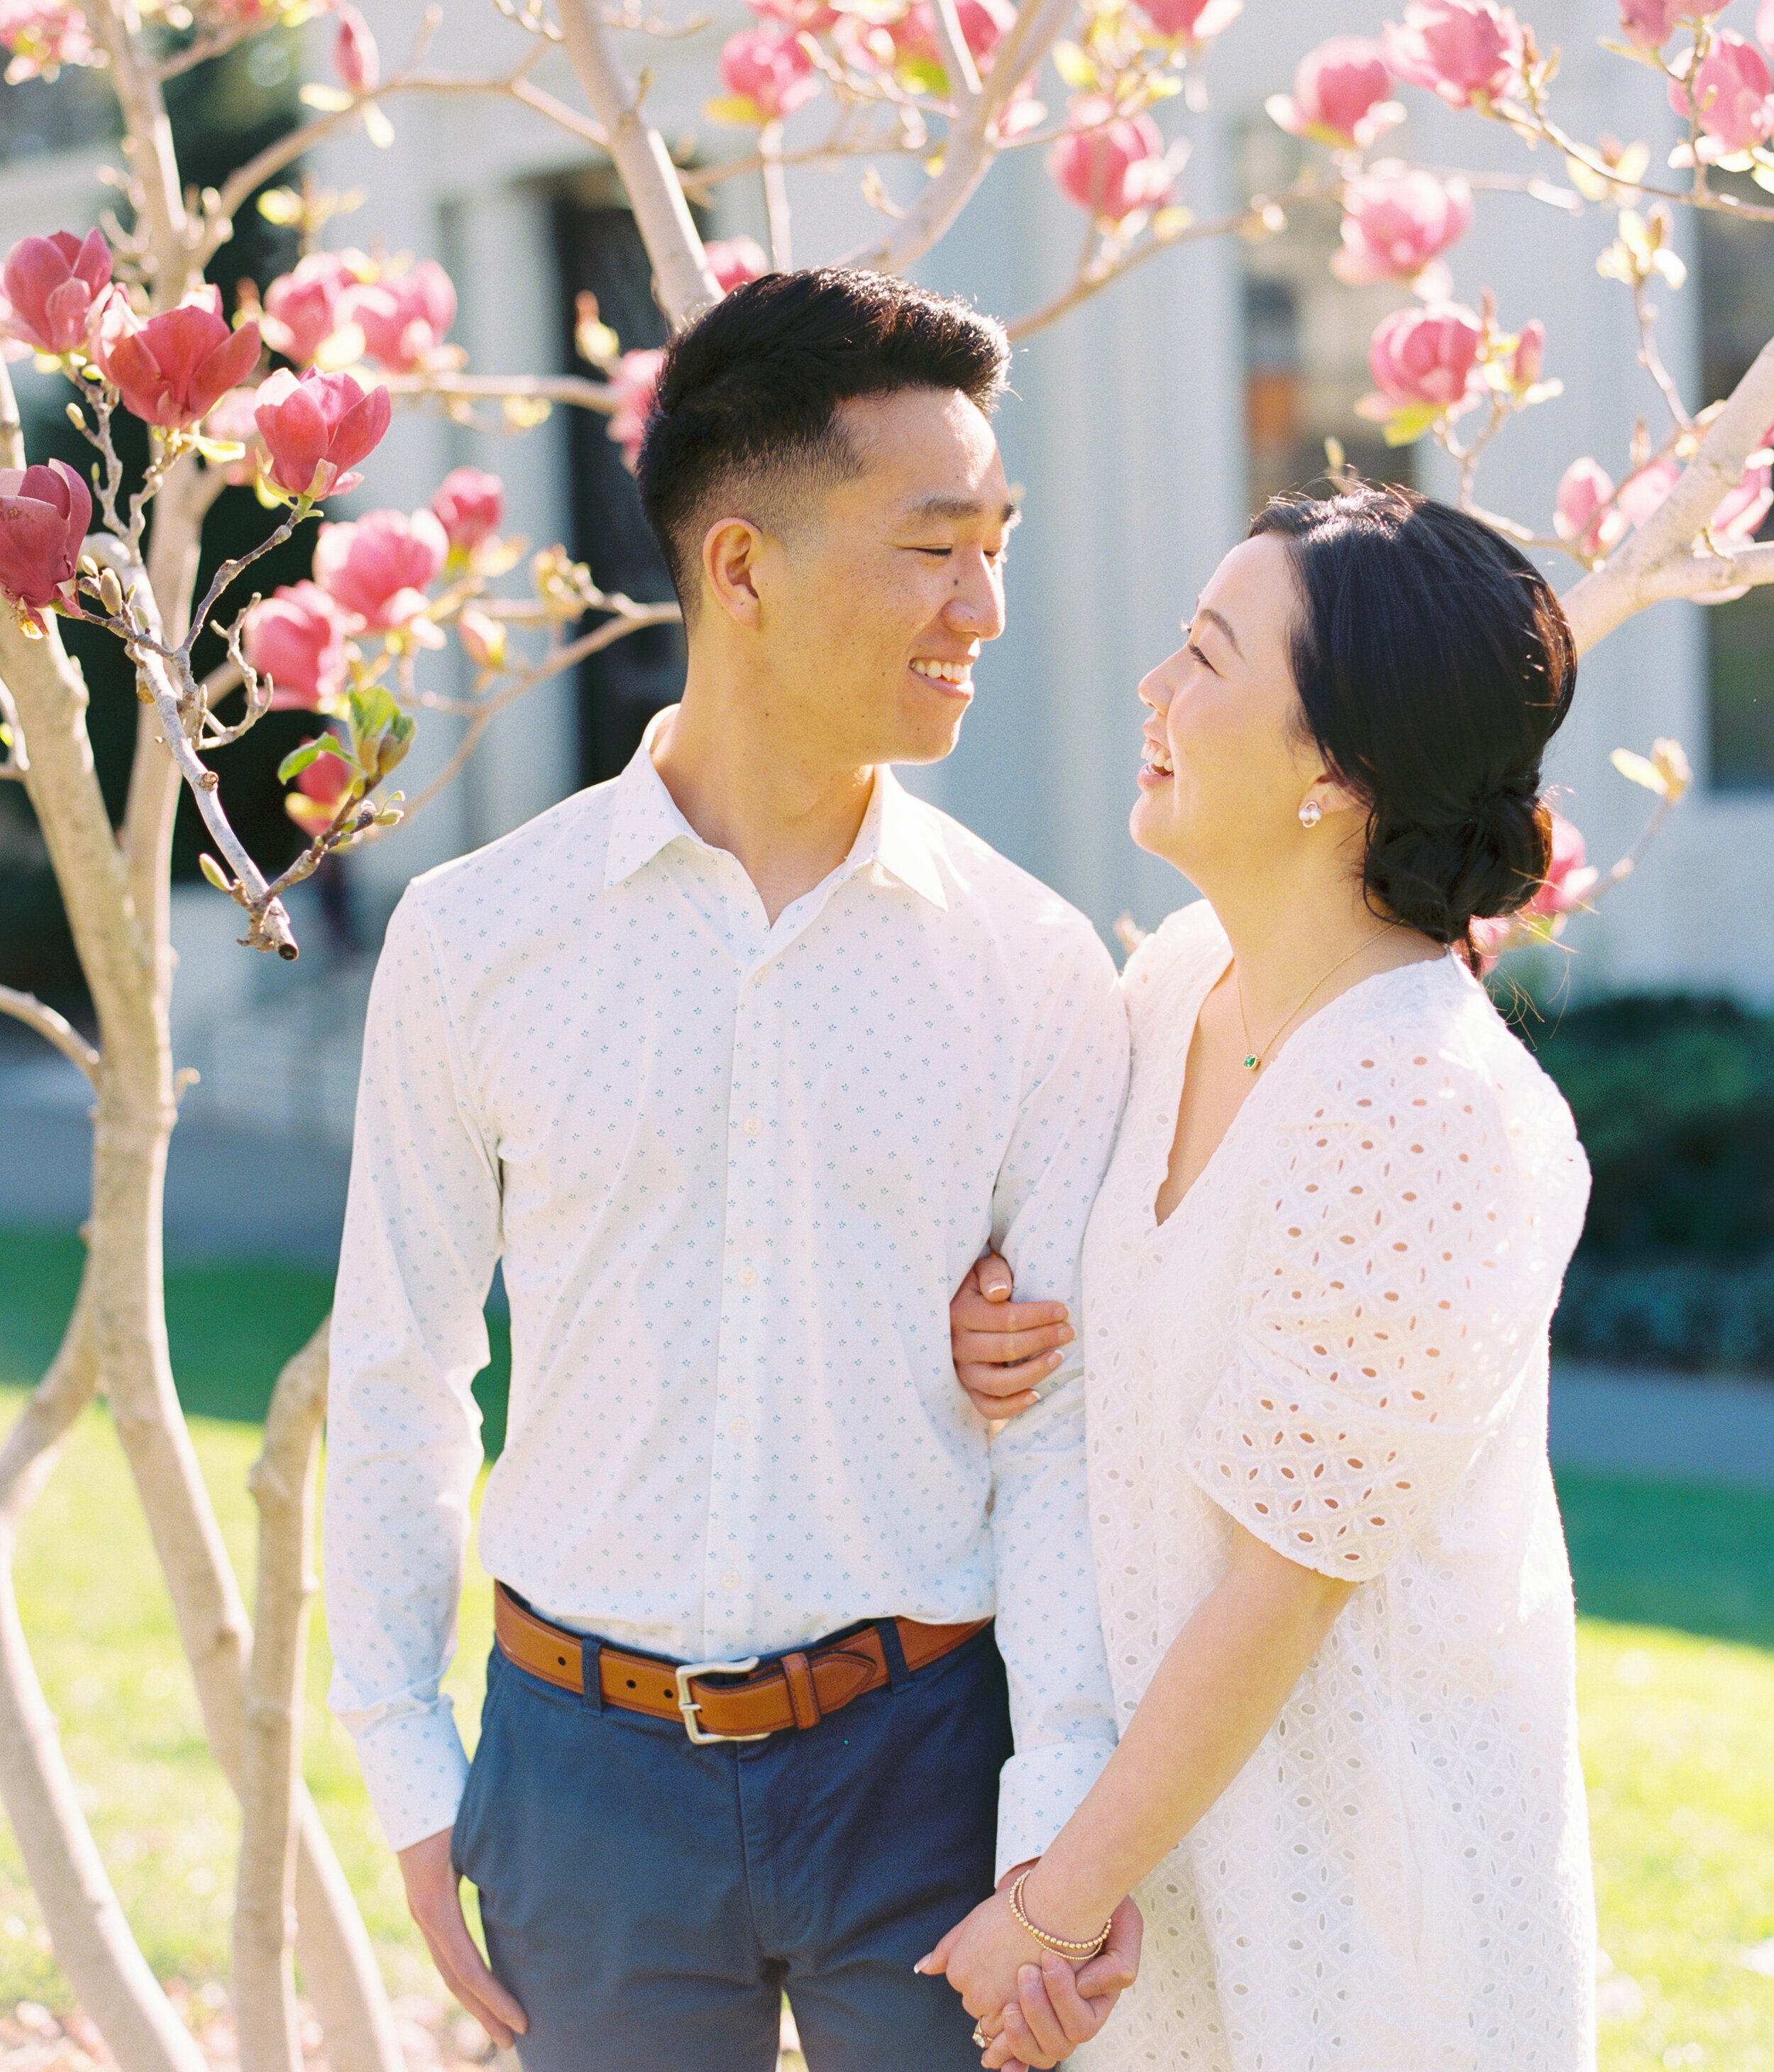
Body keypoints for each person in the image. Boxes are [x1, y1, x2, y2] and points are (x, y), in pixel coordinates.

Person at [322, 267, 1142, 2072]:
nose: (985, 605)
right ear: (742, 568)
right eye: (935, 546)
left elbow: (1062, 1430)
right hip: (579, 1775)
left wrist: (1055, 1817)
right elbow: (399, 1370)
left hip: (928, 1771)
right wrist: (404, 1764)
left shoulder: (1031, 967)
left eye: (995, 541)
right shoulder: (480, 942)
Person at [937, 485, 1597, 2071]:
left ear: (1334, 773)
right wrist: (1000, 1321)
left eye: (1205, 658)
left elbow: (1274, 1589)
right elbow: (1106, 1351)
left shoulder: (1425, 1106)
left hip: (1366, 1906)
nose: (1153, 692)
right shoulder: (1176, 983)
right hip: (1160, 1861)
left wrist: (1045, 1912)